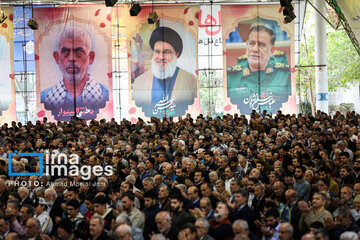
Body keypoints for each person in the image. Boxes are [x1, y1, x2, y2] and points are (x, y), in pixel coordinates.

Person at [40, 25, 109, 121]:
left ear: (91, 57)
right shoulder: (45, 97)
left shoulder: (106, 95)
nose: (72, 58)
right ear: (57, 58)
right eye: (65, 52)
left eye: (79, 51)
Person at [132, 26, 197, 118]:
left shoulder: (191, 80)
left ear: (176, 54)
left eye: (167, 52)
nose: (161, 57)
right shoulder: (139, 82)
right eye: (157, 51)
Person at [227, 24, 291, 114]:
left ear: (272, 51)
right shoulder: (230, 77)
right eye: (251, 43)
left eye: (262, 45)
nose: (255, 49)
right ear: (246, 45)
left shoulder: (285, 75)